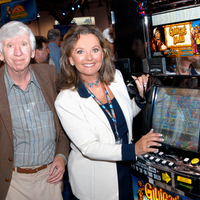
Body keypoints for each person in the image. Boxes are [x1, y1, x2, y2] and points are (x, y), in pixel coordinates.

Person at [55, 25, 162, 200]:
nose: (89, 57)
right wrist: (134, 149)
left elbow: (120, 117)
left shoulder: (115, 78)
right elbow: (89, 147)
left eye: (95, 50)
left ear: (103, 53)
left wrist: (140, 100)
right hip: (97, 179)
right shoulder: (66, 100)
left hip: (127, 167)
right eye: (80, 51)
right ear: (70, 59)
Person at [0, 21, 69, 200]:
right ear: (1, 54)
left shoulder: (50, 76)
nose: (17, 52)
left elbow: (63, 124)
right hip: (11, 183)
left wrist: (61, 156)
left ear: (32, 52)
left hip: (50, 179)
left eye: (23, 44)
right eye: (9, 45)